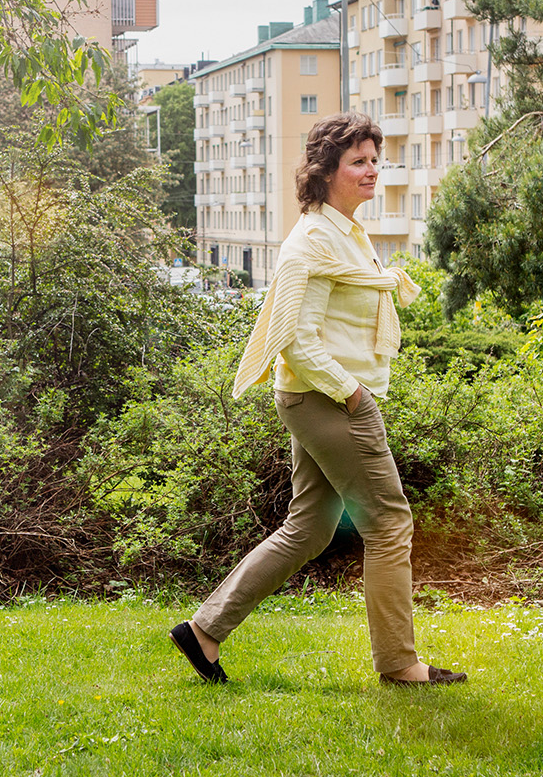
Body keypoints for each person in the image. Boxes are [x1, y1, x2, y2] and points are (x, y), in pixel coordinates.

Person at [169, 112, 467, 687]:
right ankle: (401, 664)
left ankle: (204, 631)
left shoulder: (345, 233)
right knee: (388, 522)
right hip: (327, 400)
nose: (372, 170)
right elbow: (296, 340)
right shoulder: (312, 241)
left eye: (375, 159)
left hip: (315, 399)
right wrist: (353, 394)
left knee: (309, 527)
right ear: (326, 171)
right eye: (358, 161)